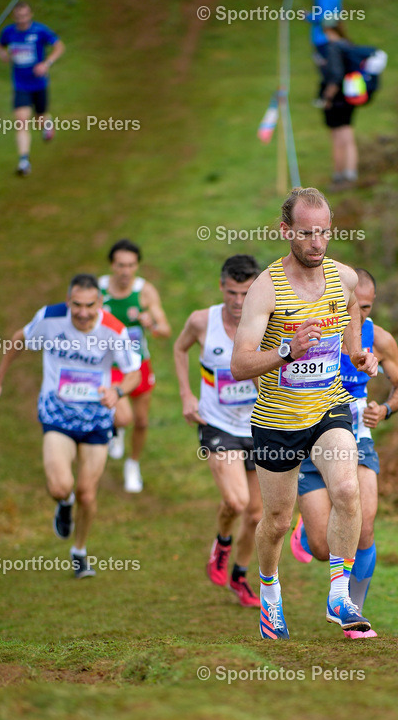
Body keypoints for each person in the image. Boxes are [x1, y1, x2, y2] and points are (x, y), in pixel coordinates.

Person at [231, 187, 378, 639]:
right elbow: (239, 364)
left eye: (324, 233)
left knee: (348, 489)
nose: (317, 243)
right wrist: (287, 351)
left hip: (327, 408)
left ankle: (339, 594)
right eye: (308, 234)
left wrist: (355, 351)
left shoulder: (343, 277)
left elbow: (352, 305)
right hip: (276, 422)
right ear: (286, 231)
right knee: (276, 521)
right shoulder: (266, 289)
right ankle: (270, 593)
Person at [0, 275, 141, 578]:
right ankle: (63, 502)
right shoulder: (49, 318)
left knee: (88, 493)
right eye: (76, 305)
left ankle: (79, 551)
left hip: (95, 419)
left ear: (100, 303)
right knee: (60, 486)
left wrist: (117, 391)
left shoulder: (114, 330)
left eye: (90, 306)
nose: (82, 312)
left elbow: (133, 372)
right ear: (68, 302)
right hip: (57, 415)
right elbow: (19, 340)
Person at [290, 267, 398, 638]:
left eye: (367, 307)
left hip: (358, 441)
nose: (360, 315)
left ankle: (352, 614)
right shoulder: (316, 332)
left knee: (366, 526)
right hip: (312, 444)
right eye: (354, 307)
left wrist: (385, 409)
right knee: (325, 548)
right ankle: (307, 532)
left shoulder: (380, 340)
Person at [174, 255, 263, 608]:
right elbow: (179, 350)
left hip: (259, 424)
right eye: (231, 293)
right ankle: (222, 543)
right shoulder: (201, 322)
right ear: (221, 287)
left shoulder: (268, 320)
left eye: (245, 293)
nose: (238, 302)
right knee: (236, 502)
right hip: (217, 423)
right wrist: (185, 394)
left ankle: (240, 577)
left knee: (256, 514)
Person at [99, 239, 171, 493]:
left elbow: (165, 330)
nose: (125, 271)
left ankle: (133, 464)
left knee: (140, 422)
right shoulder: (98, 291)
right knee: (124, 415)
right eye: (120, 265)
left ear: (137, 266)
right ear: (112, 265)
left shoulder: (144, 291)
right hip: (110, 366)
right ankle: (116, 428)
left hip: (139, 364)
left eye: (131, 265)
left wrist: (150, 322)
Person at [0, 1, 65, 177]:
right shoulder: (8, 32)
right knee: (21, 122)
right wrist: (2, 54)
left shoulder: (40, 30)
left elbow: (59, 46)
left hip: (39, 84)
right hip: (20, 85)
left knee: (40, 117)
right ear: (14, 17)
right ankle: (24, 161)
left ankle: (47, 124)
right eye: (19, 17)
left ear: (30, 15)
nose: (22, 20)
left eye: (25, 16)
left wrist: (46, 63)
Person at [308, 0, 358, 189]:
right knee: (347, 134)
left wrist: (327, 97)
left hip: (336, 98)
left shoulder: (332, 48)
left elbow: (335, 75)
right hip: (349, 97)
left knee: (338, 136)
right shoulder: (347, 45)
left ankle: (339, 177)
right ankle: (350, 173)